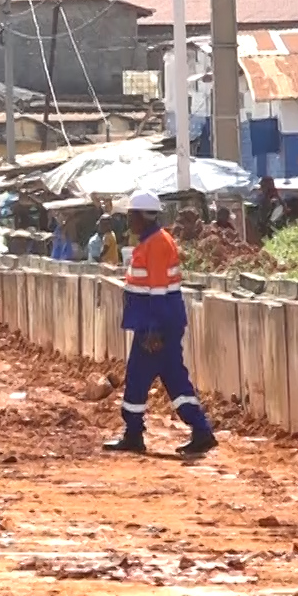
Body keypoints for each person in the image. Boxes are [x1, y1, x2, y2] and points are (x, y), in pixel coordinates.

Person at [105, 192, 216, 457]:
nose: (128, 221)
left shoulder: (156, 243)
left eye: (131, 215)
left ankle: (134, 434)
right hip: (160, 323)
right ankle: (201, 430)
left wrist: (154, 329)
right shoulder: (154, 241)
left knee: (137, 377)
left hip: (156, 326)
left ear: (141, 216)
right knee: (174, 379)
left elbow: (157, 291)